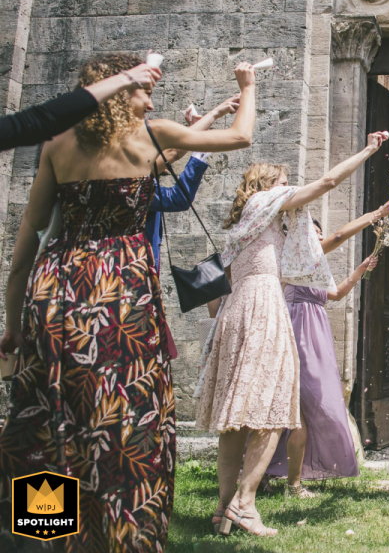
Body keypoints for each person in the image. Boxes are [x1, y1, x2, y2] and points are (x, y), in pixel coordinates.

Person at [0, 54, 258, 552]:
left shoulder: (57, 145)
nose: (151, 98)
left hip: (57, 293)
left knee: (56, 423)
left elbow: (25, 247)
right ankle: (121, 539)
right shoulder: (149, 136)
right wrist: (246, 87)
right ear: (120, 92)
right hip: (119, 295)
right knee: (123, 421)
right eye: (144, 90)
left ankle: (48, 540)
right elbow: (240, 137)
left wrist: (13, 323)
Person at [194, 131, 387, 537]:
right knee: (270, 411)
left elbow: (319, 248)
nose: (290, 190)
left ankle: (222, 509)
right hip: (265, 307)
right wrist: (368, 151)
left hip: (237, 310)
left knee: (235, 419)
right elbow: (328, 183)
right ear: (266, 187)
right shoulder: (268, 203)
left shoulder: (249, 224)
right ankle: (245, 505)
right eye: (283, 181)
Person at [267, 204, 389, 496]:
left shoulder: (313, 264)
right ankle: (289, 481)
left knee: (312, 403)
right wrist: (375, 214)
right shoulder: (294, 255)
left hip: (316, 332)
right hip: (298, 329)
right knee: (300, 404)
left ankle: (284, 477)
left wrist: (360, 269)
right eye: (314, 229)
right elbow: (338, 235)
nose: (319, 235)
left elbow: (335, 294)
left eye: (319, 231)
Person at [146, 95, 241, 270]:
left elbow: (172, 152)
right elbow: (172, 155)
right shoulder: (127, 184)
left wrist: (197, 133)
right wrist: (213, 116)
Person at [0, 62, 161, 151]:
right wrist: (125, 79)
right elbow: (38, 122)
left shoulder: (54, 149)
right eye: (146, 94)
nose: (150, 105)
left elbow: (34, 123)